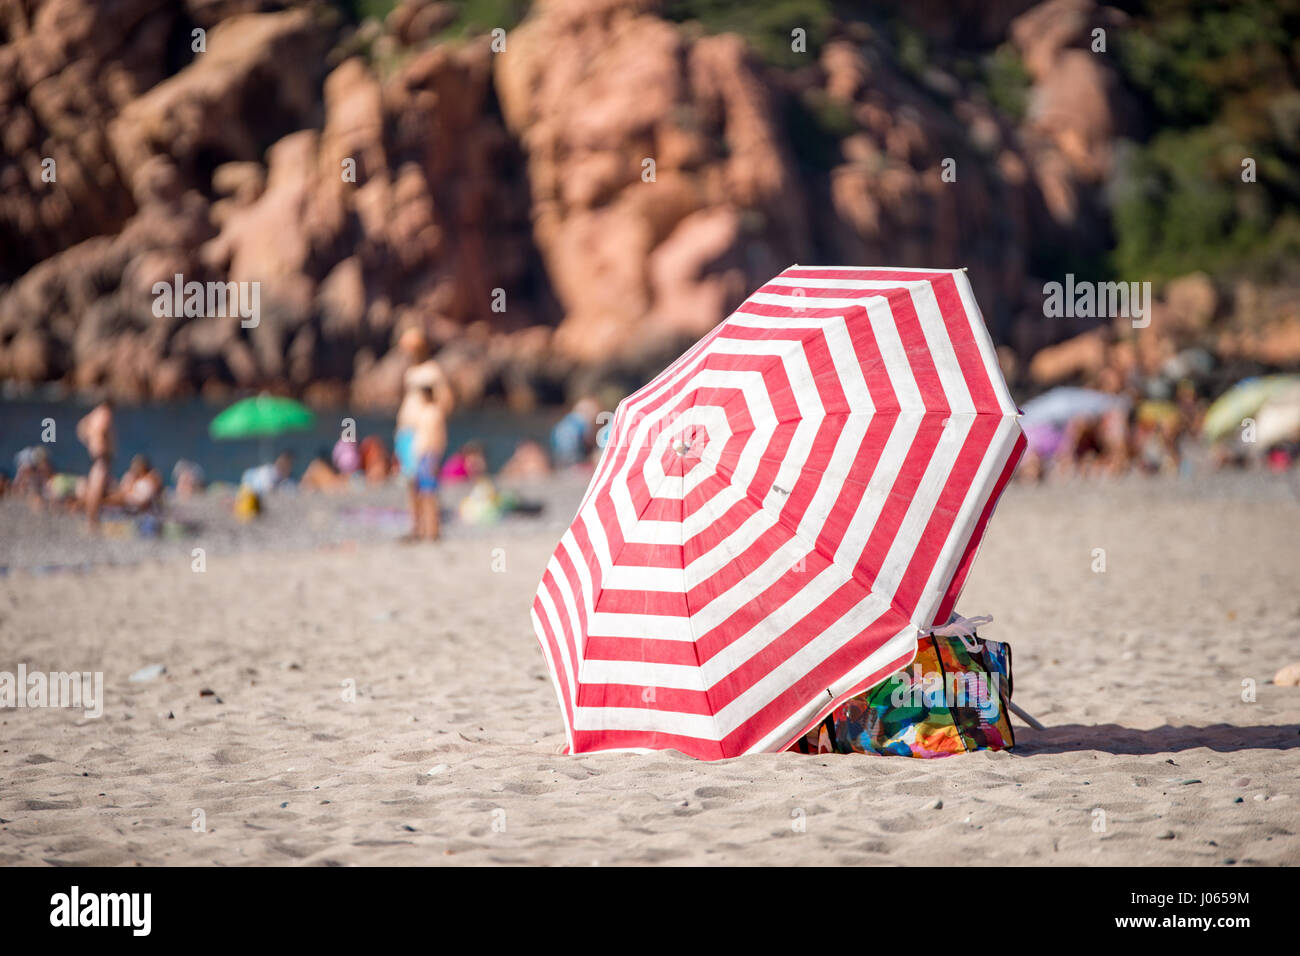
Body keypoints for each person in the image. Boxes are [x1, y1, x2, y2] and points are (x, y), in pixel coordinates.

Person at [394, 328, 453, 539]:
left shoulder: (432, 370)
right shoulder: (410, 372)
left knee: (426, 482)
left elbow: (445, 401)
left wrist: (431, 424)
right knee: (411, 482)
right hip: (407, 431)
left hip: (423, 434)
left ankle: (431, 528)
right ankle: (417, 527)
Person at [412, 384, 449, 540]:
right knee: (422, 494)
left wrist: (434, 457)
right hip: (423, 455)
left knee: (429, 495)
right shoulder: (426, 412)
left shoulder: (434, 413)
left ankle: (433, 530)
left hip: (429, 455)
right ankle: (424, 529)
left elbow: (437, 437)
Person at [76, 398, 115, 531]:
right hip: (101, 455)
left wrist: (90, 441)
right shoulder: (105, 413)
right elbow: (102, 429)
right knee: (97, 488)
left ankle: (91, 518)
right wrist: (103, 441)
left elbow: (81, 427)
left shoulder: (93, 414)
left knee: (93, 486)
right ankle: (93, 520)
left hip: (95, 453)